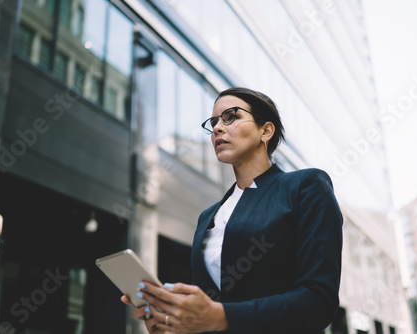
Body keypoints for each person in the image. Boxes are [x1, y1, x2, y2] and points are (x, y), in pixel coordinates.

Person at [122, 87, 343, 333]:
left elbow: (318, 300)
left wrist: (220, 316)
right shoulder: (208, 216)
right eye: (214, 122)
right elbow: (210, 306)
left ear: (265, 131)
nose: (217, 128)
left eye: (231, 117)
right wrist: (174, 322)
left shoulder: (305, 186)